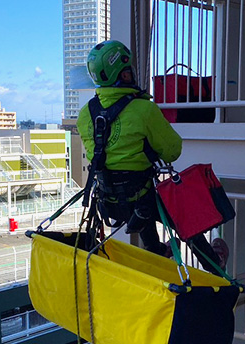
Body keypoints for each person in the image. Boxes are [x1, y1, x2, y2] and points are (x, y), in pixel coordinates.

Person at [77, 40, 227, 273]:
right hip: (141, 199)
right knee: (180, 212)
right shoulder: (144, 109)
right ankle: (214, 263)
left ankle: (156, 249)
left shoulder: (85, 114)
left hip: (109, 201)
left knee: (142, 195)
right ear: (125, 75)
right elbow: (173, 150)